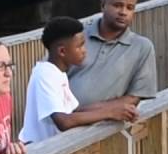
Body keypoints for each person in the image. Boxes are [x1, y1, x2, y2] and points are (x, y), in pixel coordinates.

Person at [19, 16, 140, 144]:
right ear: (62, 51)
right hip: (36, 152)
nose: (84, 51)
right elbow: (64, 121)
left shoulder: (58, 73)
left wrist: (119, 108)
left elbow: (76, 111)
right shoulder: (45, 74)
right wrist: (110, 113)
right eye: (79, 46)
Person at [67, 0, 159, 108]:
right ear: (103, 5)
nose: (123, 12)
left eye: (130, 8)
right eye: (117, 5)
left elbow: (134, 97)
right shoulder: (76, 35)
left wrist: (88, 112)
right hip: (61, 123)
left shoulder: (142, 47)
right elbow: (50, 76)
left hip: (107, 126)